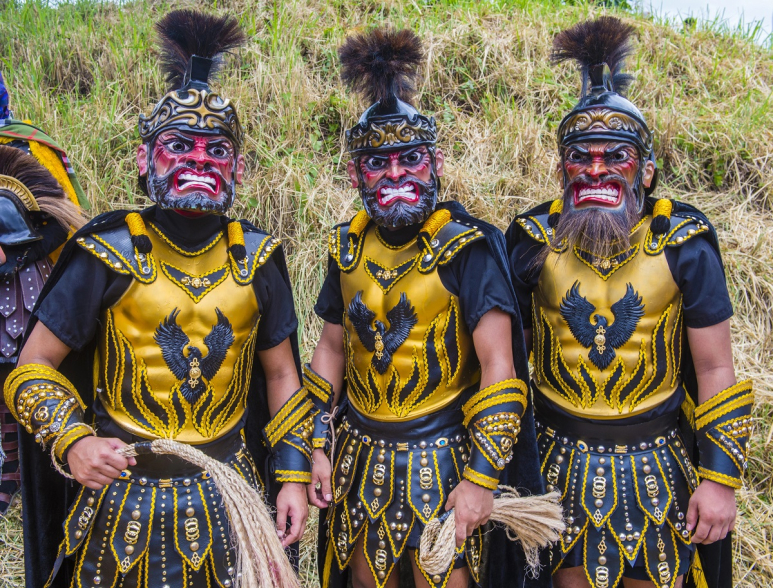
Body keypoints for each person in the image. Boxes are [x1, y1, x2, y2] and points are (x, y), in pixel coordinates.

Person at [3, 10, 310, 588]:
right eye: (179, 146)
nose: (199, 159)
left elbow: (281, 379)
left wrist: (291, 474)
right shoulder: (107, 254)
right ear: (146, 159)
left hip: (228, 497)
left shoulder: (260, 260)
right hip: (123, 504)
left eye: (216, 149)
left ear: (238, 166)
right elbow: (31, 369)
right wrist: (73, 440)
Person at [506, 17, 751, 588]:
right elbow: (508, 366)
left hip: (657, 465)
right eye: (580, 155)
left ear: (646, 168)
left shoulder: (684, 244)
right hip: (556, 463)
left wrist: (719, 480)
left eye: (614, 155)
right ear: (560, 165)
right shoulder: (530, 240)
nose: (595, 169)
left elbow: (715, 366)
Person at [307, 27, 546, 588]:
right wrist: (316, 442)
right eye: (378, 163)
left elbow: (499, 368)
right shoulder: (346, 250)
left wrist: (482, 477)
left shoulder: (469, 248)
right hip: (360, 463)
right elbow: (331, 351)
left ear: (435, 161)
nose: (395, 176)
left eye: (409, 159)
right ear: (354, 172)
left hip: (445, 466)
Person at [0, 70, 87, 515]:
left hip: (27, 287)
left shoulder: (31, 148)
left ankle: (28, 475)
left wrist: (13, 248)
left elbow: (68, 224)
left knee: (26, 370)